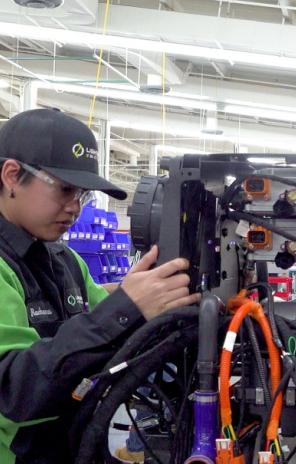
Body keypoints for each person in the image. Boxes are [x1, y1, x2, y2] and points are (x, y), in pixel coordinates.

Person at [0, 108, 200, 464]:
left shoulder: (65, 260)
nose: (74, 208)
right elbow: (15, 390)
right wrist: (124, 308)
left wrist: (151, 296)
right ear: (12, 176)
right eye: (64, 190)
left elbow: (100, 326)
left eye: (81, 195)